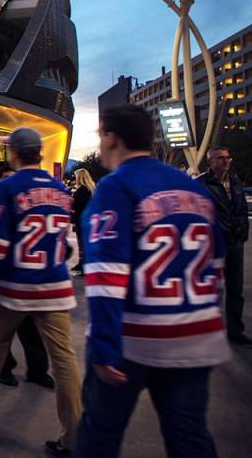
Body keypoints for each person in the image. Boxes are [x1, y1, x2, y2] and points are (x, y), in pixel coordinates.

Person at [75, 104, 230, 457]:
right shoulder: (196, 189)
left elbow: (106, 276)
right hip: (194, 335)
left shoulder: (115, 188)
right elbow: (216, 267)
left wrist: (103, 344)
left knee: (99, 435)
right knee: (190, 438)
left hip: (134, 338)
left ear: (111, 137)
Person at [0, 127, 81, 458]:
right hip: (53, 285)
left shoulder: (8, 187)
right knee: (64, 358)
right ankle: (74, 436)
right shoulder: (60, 188)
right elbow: (65, 243)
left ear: (15, 153)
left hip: (15, 287)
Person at [0, 164, 53, 389]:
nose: (9, 184)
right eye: (4, 179)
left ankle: (37, 370)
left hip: (29, 281)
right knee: (1, 334)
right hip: (3, 281)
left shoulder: (32, 208)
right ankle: (4, 368)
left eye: (13, 178)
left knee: (32, 330)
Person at [196, 146, 250, 345]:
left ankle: (235, 331)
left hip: (235, 243)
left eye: (228, 157)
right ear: (210, 161)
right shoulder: (201, 183)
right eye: (221, 158)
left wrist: (242, 232)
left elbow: (242, 210)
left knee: (235, 289)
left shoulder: (235, 181)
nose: (226, 161)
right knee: (212, 290)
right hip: (214, 246)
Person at [70, 168, 95, 277]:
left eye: (76, 177)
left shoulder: (82, 190)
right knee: (83, 243)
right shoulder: (90, 189)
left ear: (80, 177)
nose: (75, 179)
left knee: (83, 243)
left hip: (81, 219)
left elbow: (75, 205)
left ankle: (84, 268)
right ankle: (81, 264)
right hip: (87, 220)